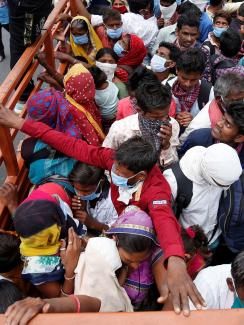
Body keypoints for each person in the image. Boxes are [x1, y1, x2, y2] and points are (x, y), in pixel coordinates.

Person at [0, 107, 207, 316]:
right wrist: (20, 123)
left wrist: (176, 260)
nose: (113, 172)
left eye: (120, 172)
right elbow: (69, 144)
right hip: (117, 230)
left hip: (142, 238)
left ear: (140, 176)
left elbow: (164, 221)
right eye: (114, 167)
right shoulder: (112, 158)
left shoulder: (157, 190)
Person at [163, 143, 242, 250]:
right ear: (208, 174)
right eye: (221, 185)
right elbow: (165, 218)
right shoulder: (174, 181)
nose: (226, 189)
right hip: (188, 244)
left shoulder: (222, 166)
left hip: (214, 238)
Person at [103, 79, 180, 168]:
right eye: (156, 117)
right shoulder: (120, 130)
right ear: (139, 110)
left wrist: (166, 145)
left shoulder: (172, 125)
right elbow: (107, 159)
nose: (163, 120)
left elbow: (172, 164)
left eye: (166, 115)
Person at [8, 0, 53, 112]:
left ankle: (24, 94)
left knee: (23, 47)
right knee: (24, 46)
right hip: (30, 10)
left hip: (29, 10)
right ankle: (25, 94)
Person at [179, 72, 244, 144]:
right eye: (237, 100)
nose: (241, 103)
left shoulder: (227, 107)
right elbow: (182, 145)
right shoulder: (200, 127)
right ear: (219, 99)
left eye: (242, 99)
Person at [74, 0, 159, 49]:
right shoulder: (154, 27)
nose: (115, 27)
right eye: (111, 26)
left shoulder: (124, 19)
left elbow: (88, 17)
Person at [167, 48, 214, 129]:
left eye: (193, 80)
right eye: (184, 78)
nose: (187, 84)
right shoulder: (165, 88)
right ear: (177, 70)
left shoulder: (209, 93)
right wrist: (173, 118)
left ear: (201, 75)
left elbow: (212, 122)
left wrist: (195, 121)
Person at [69, 161, 118, 233]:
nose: (80, 194)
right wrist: (82, 208)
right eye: (77, 189)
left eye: (86, 191)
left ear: (101, 183)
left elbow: (117, 231)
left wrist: (94, 224)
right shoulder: (80, 196)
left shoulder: (115, 200)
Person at [201, 10, 231, 83]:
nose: (220, 26)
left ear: (228, 26)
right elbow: (205, 72)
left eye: (224, 23)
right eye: (218, 23)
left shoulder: (229, 42)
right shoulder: (206, 47)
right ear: (213, 25)